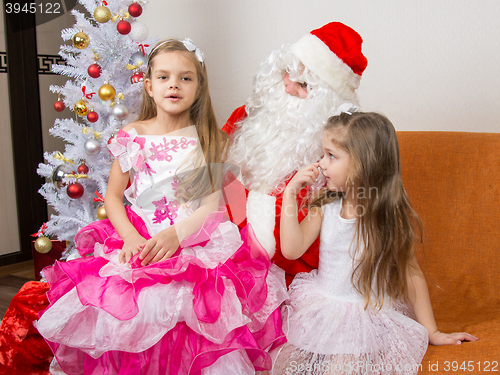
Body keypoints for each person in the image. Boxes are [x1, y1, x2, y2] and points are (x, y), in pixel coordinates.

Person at [32, 39, 288, 375]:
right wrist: (129, 238)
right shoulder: (131, 136)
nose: (174, 85)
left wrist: (175, 236)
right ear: (150, 87)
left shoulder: (209, 139)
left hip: (190, 241)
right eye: (164, 77)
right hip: (140, 240)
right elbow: (113, 197)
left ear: (199, 87)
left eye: (185, 78)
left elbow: (212, 206)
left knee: (193, 315)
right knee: (141, 313)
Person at [272, 112, 479, 374]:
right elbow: (292, 249)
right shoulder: (326, 205)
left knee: (342, 368)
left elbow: (411, 275)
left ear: (362, 164)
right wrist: (290, 193)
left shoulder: (386, 217)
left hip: (364, 318)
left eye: (331, 155)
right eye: (322, 154)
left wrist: (433, 331)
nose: (321, 164)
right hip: (323, 309)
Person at [222, 22, 368, 285]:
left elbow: (304, 244)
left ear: (325, 102)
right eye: (287, 73)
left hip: (281, 272)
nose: (288, 88)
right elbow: (210, 176)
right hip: (222, 243)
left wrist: (239, 208)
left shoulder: (329, 154)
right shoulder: (244, 116)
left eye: (303, 85)